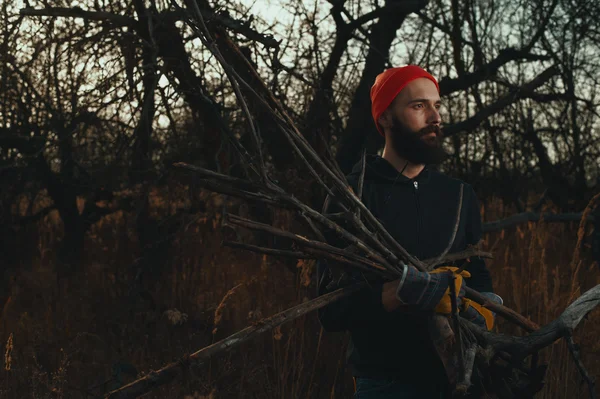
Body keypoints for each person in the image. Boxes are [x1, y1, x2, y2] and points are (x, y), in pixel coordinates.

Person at [317, 65, 499, 398]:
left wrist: (482, 307)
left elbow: (480, 279)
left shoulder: (459, 195)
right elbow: (329, 309)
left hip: (458, 382)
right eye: (419, 106)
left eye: (437, 105)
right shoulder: (352, 196)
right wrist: (397, 293)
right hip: (385, 384)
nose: (435, 117)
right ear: (385, 117)